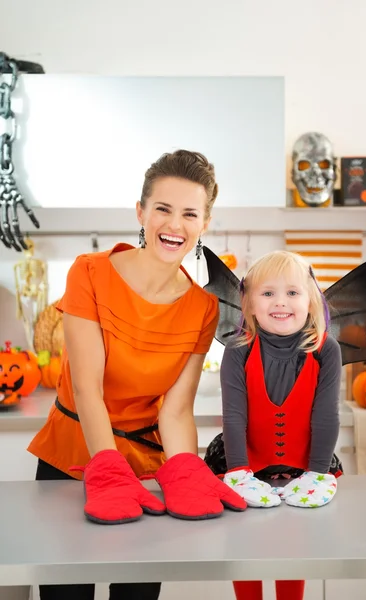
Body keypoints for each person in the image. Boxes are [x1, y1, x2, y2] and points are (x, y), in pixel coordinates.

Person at [27, 149, 246, 600]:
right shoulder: (90, 273)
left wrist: (184, 470)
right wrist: (107, 474)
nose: (174, 225)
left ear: (205, 223)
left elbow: (177, 410)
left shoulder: (203, 308)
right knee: (65, 594)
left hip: (148, 469)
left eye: (190, 213)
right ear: (141, 211)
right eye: (163, 208)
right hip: (74, 459)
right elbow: (88, 387)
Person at [205, 249, 343, 600]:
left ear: (310, 301)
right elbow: (233, 415)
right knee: (245, 550)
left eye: (292, 293)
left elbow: (326, 415)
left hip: (307, 467)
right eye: (268, 293)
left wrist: (317, 473)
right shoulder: (237, 350)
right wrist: (238, 471)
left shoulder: (326, 350)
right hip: (244, 464)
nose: (280, 302)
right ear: (248, 304)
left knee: (293, 553)